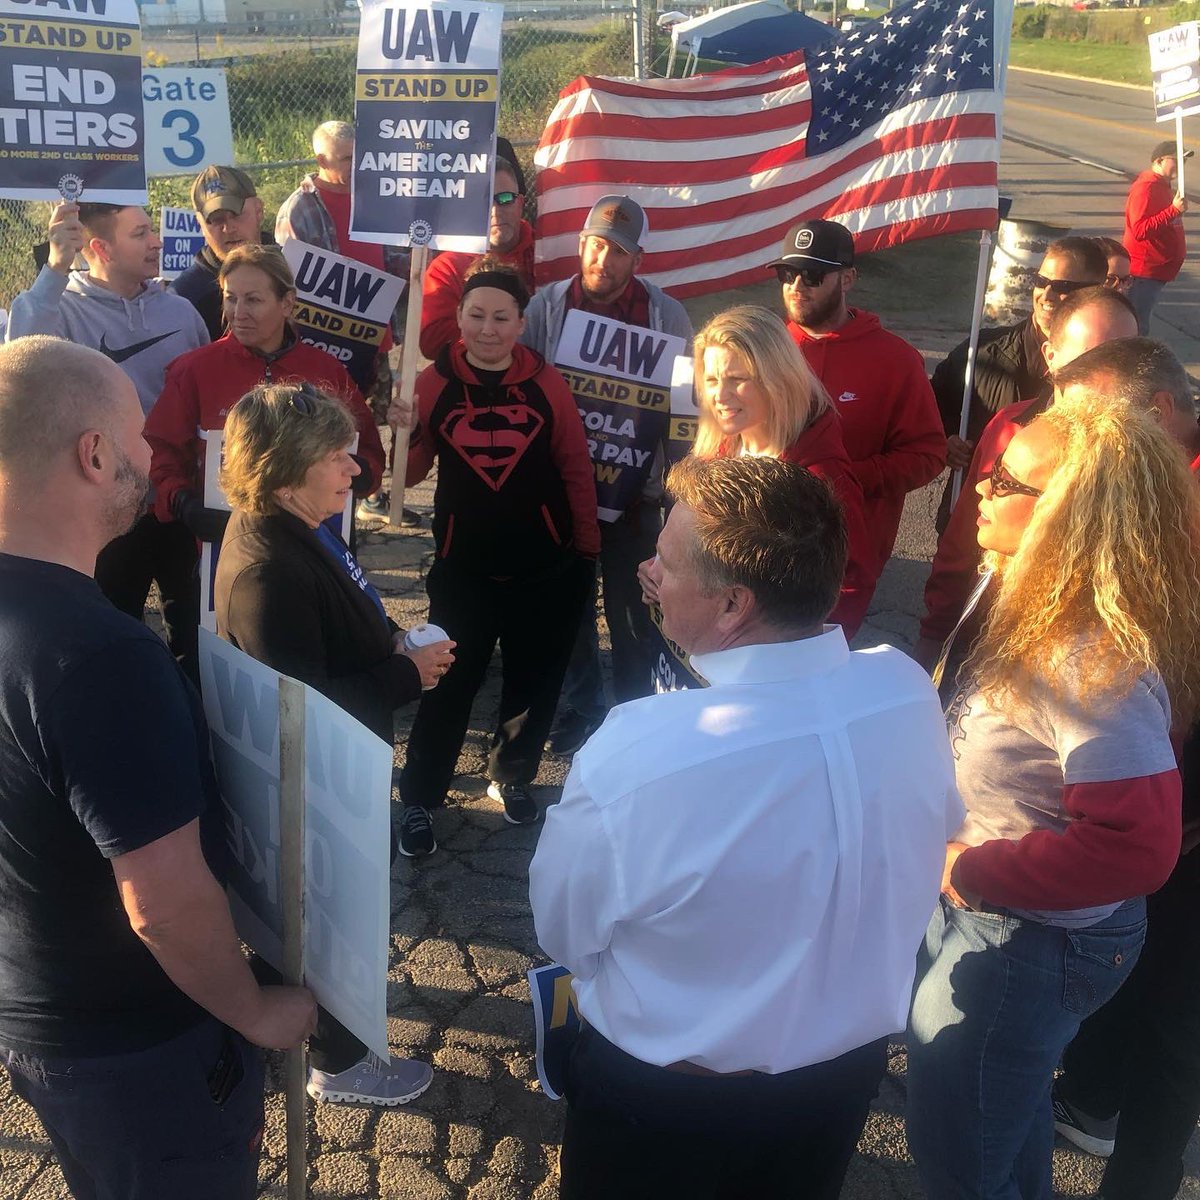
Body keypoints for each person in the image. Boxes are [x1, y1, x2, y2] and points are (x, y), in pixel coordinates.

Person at [530, 453, 962, 1200]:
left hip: (667, 1102)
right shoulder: (905, 688)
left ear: (733, 605)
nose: (649, 574)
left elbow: (566, 929)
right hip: (841, 1082)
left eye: (664, 563)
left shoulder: (639, 747)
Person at [0, 336, 316, 1198]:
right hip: (142, 1049)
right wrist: (255, 1011)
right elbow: (165, 905)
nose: (154, 455)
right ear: (94, 455)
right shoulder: (99, 654)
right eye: (137, 437)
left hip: (41, 1018)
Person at [905, 395, 1200, 1200]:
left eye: (1005, 481)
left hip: (1025, 939)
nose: (982, 489)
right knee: (1003, 1116)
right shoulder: (1020, 585)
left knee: (957, 1157)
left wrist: (979, 870)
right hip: (999, 917)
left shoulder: (1083, 655)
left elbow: (1138, 845)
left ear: (1072, 515)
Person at [214, 380, 452, 1106]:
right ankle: (340, 1063)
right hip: (316, 794)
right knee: (326, 925)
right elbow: (301, 709)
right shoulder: (267, 570)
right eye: (341, 456)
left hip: (333, 780)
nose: (357, 470)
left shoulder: (294, 526)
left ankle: (339, 1032)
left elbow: (331, 625)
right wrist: (404, 673)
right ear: (287, 466)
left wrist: (386, 638)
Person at [1039, 338, 1200, 1200]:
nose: (1071, 441)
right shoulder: (1132, 494)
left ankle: (1140, 1181)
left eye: (1088, 422)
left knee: (1178, 1024)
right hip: (1144, 790)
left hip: (1185, 808)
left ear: (1159, 417)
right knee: (1127, 962)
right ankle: (1091, 1100)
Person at [391, 265, 599, 857]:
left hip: (547, 565)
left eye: (501, 317)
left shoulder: (546, 382)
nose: (488, 329)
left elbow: (575, 467)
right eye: (476, 315)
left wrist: (585, 551)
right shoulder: (431, 385)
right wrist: (401, 430)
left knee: (535, 681)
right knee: (449, 683)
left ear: (520, 322)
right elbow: (406, 478)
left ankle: (511, 774)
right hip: (465, 570)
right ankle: (420, 796)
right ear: (457, 319)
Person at [6, 200, 209, 677]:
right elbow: (18, 362)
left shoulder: (179, 309)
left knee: (195, 634)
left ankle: (195, 728)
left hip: (178, 503)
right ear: (99, 247)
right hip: (103, 508)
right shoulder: (62, 310)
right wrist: (54, 270)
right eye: (140, 233)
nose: (156, 241)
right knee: (108, 634)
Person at [522, 195, 694, 754]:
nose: (604, 259)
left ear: (637, 259)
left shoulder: (666, 315)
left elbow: (683, 410)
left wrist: (678, 492)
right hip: (560, 494)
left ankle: (632, 718)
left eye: (618, 251)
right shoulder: (546, 308)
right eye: (597, 244)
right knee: (567, 614)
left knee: (635, 616)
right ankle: (583, 707)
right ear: (580, 244)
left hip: (634, 498)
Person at [915, 285, 1138, 675]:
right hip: (992, 626)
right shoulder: (1011, 427)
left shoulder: (1149, 455)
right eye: (1091, 359)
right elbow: (965, 534)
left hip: (1097, 658)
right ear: (1051, 357)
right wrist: (935, 631)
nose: (1110, 378)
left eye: (1125, 359)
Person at [640, 306, 875, 638]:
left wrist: (790, 652)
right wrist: (662, 568)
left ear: (777, 379)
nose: (719, 396)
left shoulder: (820, 477)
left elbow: (851, 583)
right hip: (704, 650)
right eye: (710, 380)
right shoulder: (717, 450)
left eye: (737, 380)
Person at [146, 243, 384, 556]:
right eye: (231, 298)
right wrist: (182, 501)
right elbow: (160, 452)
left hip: (312, 548)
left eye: (253, 300)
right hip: (218, 550)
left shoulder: (326, 371)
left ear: (287, 303)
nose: (238, 313)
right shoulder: (193, 370)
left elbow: (367, 451)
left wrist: (355, 473)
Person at [771, 217, 946, 576]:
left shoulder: (896, 360)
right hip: (760, 541)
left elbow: (927, 455)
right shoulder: (764, 349)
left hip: (843, 561)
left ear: (847, 278)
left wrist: (844, 478)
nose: (797, 285)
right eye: (788, 273)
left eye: (813, 275)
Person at [275, 119, 409, 522]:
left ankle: (374, 492)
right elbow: (288, 276)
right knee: (334, 420)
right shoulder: (300, 208)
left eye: (361, 156)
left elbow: (398, 257)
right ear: (321, 159)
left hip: (376, 335)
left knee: (381, 417)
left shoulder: (378, 197)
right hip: (330, 342)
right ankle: (328, 503)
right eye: (348, 158)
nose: (358, 165)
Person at [930, 235, 1108, 495]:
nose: (1046, 294)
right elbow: (928, 406)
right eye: (1041, 281)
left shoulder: (1111, 369)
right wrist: (944, 440)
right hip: (976, 513)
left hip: (1062, 519)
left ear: (1096, 291)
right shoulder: (982, 351)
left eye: (1063, 286)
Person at [419, 139, 536, 360]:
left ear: (520, 203)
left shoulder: (548, 252)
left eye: (505, 199)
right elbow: (432, 344)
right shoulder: (447, 268)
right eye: (482, 203)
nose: (495, 211)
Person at [173, 164, 272, 341]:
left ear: (259, 210)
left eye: (237, 214)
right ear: (200, 224)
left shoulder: (299, 271)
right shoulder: (186, 296)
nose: (229, 228)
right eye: (216, 219)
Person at [1124, 140, 1191, 334]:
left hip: (1157, 271)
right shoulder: (1146, 188)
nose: (1180, 165)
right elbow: (1140, 230)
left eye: (1183, 161)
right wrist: (1172, 211)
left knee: (1140, 322)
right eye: (1175, 160)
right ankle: (1133, 362)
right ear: (1159, 161)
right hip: (1144, 272)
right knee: (1137, 326)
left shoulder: (1162, 186)